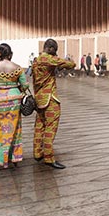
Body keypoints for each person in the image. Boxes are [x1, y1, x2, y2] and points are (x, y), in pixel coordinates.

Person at [0, 43, 28, 169]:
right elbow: (25, 86)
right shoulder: (17, 68)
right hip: (14, 100)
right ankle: (14, 158)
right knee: (14, 129)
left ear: (0, 54)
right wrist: (17, 89)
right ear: (10, 54)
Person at [32, 39, 76, 169]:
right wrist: (60, 62)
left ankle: (37, 152)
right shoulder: (48, 59)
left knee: (39, 126)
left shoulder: (36, 60)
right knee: (50, 128)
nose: (54, 54)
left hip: (39, 99)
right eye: (54, 51)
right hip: (50, 99)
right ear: (50, 48)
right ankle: (49, 157)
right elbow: (71, 64)